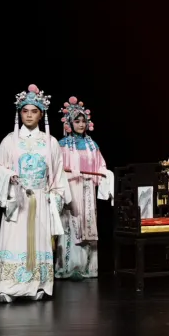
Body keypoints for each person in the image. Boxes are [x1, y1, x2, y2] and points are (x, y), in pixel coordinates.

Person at [0, 84, 68, 302]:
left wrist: (55, 197)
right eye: (25, 111)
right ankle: (8, 286)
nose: (29, 115)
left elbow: (57, 174)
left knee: (39, 242)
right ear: (20, 113)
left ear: (41, 114)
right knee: (14, 241)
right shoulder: (10, 140)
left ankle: (38, 284)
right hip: (17, 198)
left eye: (34, 111)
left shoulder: (50, 142)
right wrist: (8, 175)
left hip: (41, 199)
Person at [55, 97, 111, 280]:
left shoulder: (92, 145)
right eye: (77, 121)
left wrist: (105, 173)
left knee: (87, 225)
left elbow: (100, 165)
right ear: (70, 123)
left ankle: (88, 268)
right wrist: (70, 175)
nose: (80, 124)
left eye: (83, 121)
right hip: (70, 188)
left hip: (87, 189)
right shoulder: (62, 145)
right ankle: (68, 267)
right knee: (71, 225)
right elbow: (57, 168)